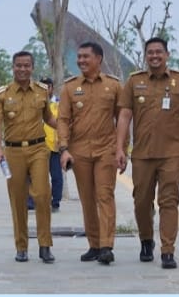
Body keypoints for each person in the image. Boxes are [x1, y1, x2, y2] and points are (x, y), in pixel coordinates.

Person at [115, 37, 179, 269]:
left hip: (172, 153)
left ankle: (167, 250)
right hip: (142, 153)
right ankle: (146, 240)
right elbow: (124, 116)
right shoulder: (134, 82)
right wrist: (119, 148)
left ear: (167, 55)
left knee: (169, 200)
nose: (154, 56)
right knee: (141, 201)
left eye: (159, 52)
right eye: (150, 52)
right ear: (146, 56)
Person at [0, 51, 58, 264]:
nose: (22, 69)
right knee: (18, 200)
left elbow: (49, 118)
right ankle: (21, 247)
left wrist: (69, 130)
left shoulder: (42, 91)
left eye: (26, 65)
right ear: (13, 67)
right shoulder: (2, 93)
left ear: (32, 67)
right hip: (13, 152)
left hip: (38, 149)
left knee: (41, 195)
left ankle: (45, 245)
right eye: (18, 65)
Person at [58, 42, 123, 265]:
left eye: (86, 56)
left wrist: (122, 149)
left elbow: (122, 119)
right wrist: (64, 149)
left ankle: (107, 245)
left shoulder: (114, 86)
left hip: (107, 150)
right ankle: (94, 245)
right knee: (87, 199)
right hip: (79, 152)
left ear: (99, 59)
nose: (81, 61)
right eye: (79, 57)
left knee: (105, 196)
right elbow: (63, 120)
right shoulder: (69, 87)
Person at [36, 77, 63, 213]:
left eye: (48, 87)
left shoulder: (59, 104)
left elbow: (61, 123)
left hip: (54, 147)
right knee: (36, 177)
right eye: (42, 87)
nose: (45, 90)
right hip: (38, 147)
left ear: (52, 88)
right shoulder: (34, 103)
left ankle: (55, 202)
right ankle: (32, 202)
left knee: (56, 176)